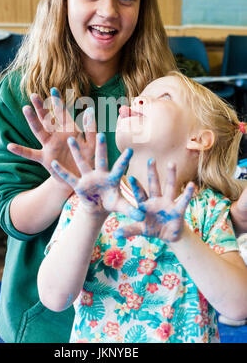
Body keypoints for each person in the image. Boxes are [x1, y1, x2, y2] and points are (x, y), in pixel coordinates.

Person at [0, 0, 177, 343]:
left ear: (142, 7)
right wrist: (61, 178)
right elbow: (16, 219)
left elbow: (188, 191)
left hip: (142, 319)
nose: (108, 10)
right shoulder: (22, 93)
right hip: (47, 322)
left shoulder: (163, 92)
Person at [38, 72, 247, 343]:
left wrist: (181, 237)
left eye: (164, 96)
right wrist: (91, 217)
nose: (137, 100)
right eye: (138, 96)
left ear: (197, 138)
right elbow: (54, 298)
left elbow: (239, 306)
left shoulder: (207, 208)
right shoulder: (89, 201)